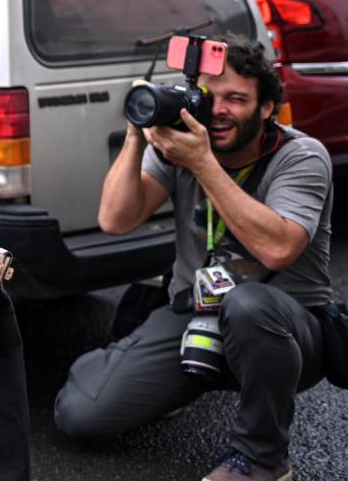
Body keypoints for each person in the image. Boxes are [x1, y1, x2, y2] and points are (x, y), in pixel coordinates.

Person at [54, 35, 333, 481]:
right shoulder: (183, 148)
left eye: (236, 99)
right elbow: (115, 219)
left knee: (247, 305)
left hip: (285, 328)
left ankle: (262, 460)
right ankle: (167, 380)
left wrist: (204, 164)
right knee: (80, 416)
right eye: (209, 97)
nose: (218, 110)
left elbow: (278, 247)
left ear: (265, 108)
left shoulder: (300, 156)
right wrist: (135, 136)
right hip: (194, 315)